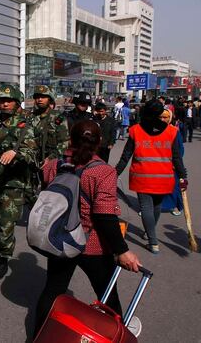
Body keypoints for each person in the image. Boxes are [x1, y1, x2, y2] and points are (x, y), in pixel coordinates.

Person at [33, 120, 143, 339]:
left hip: (61, 239)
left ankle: (39, 336)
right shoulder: (103, 172)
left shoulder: (54, 166)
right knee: (107, 294)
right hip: (93, 245)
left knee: (53, 291)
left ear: (70, 139)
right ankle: (117, 335)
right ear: (99, 141)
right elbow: (104, 216)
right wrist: (122, 250)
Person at [0, 84, 37, 280]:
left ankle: (2, 258)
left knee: (6, 223)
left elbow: (31, 153)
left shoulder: (25, 126)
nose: (4, 104)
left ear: (16, 103)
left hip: (14, 182)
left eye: (8, 101)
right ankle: (4, 240)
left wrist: (16, 153)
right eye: (1, 100)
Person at [115, 99, 188, 254]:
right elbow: (177, 158)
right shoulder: (171, 131)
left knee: (146, 207)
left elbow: (125, 156)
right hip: (164, 177)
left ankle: (153, 241)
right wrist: (182, 175)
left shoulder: (135, 130)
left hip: (142, 176)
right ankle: (150, 233)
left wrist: (114, 173)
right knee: (156, 207)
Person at [28, 85, 70, 203]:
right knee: (31, 195)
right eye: (37, 97)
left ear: (50, 99)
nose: (40, 100)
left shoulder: (58, 118)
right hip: (33, 162)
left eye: (43, 97)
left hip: (52, 163)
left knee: (50, 193)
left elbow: (64, 142)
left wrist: (50, 158)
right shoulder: (30, 117)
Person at [159, 109, 185, 215]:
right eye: (160, 117)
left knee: (173, 187)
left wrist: (175, 163)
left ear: (169, 118)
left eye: (164, 117)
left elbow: (180, 149)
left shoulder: (174, 130)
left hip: (171, 164)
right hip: (157, 164)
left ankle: (176, 206)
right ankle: (150, 207)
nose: (162, 119)